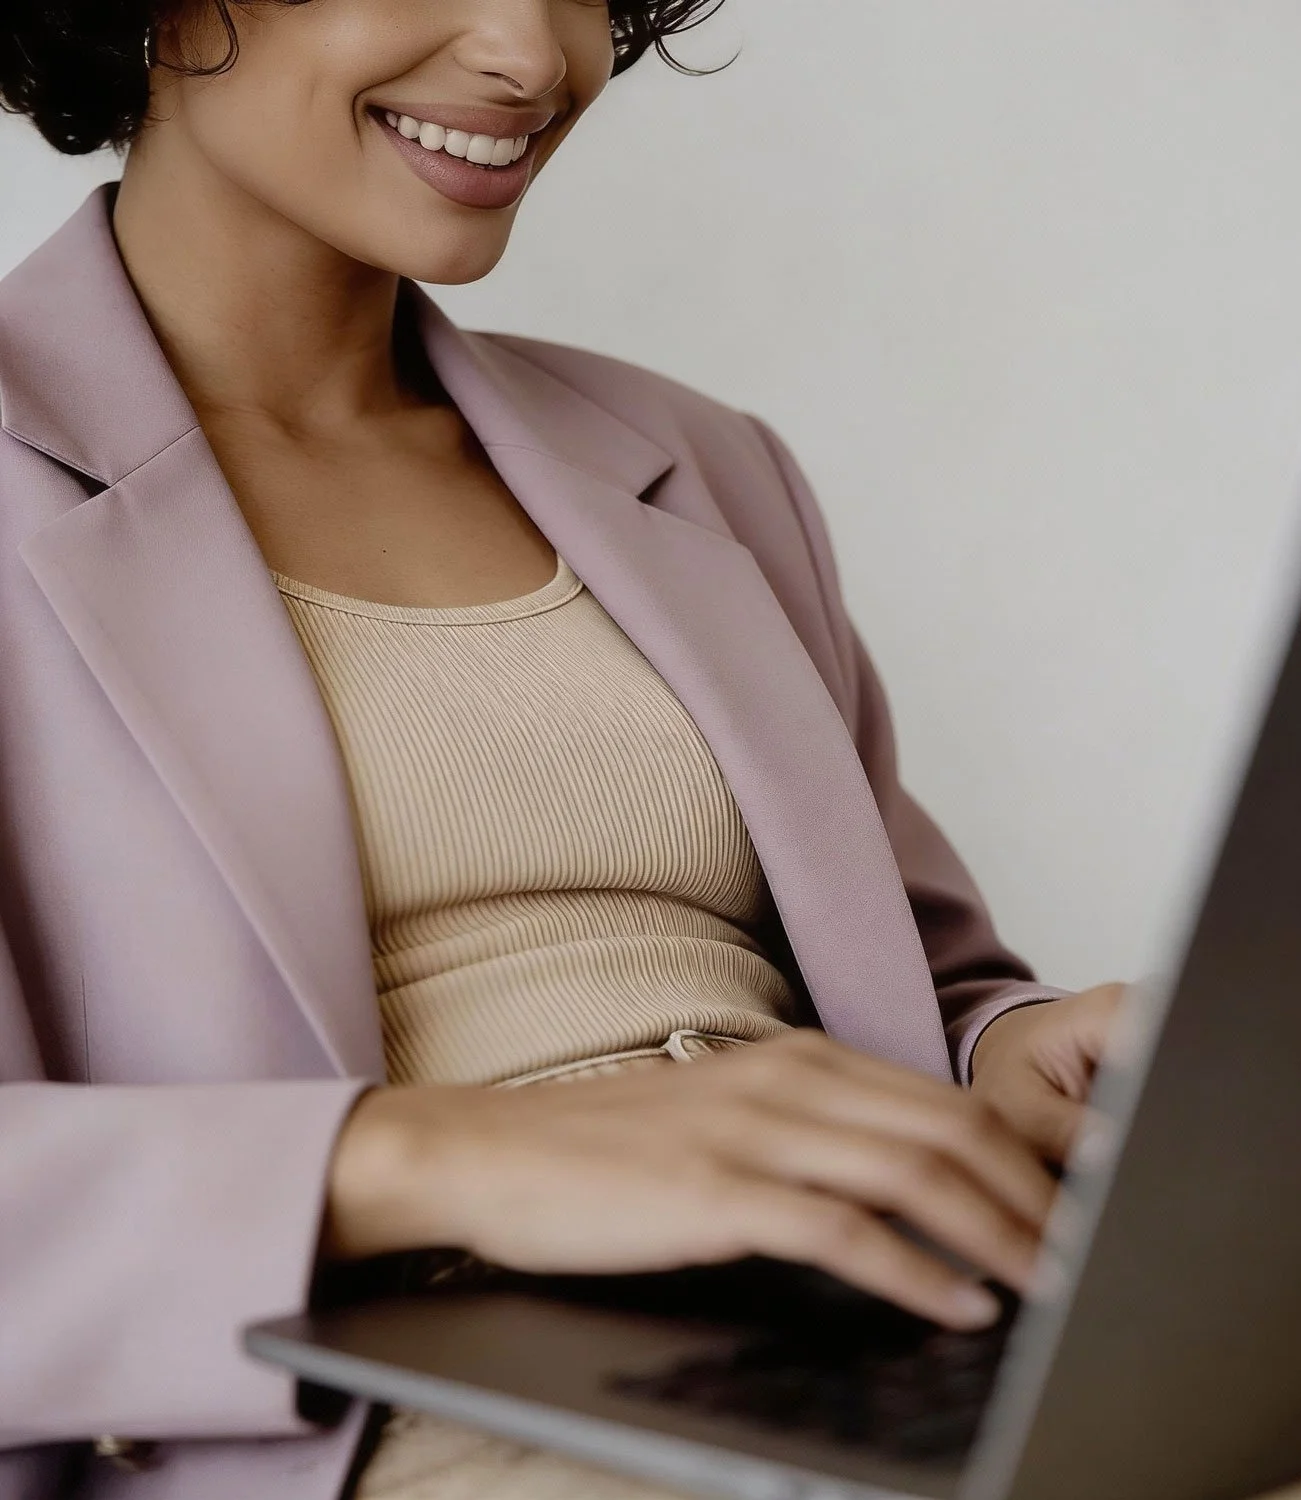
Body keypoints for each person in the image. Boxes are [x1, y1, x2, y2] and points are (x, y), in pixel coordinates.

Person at [0, 4, 1125, 1498]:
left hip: (852, 1319)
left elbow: (929, 986)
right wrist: (438, 1158)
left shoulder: (695, 458)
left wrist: (1010, 1056)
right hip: (364, 1409)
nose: (534, 57)